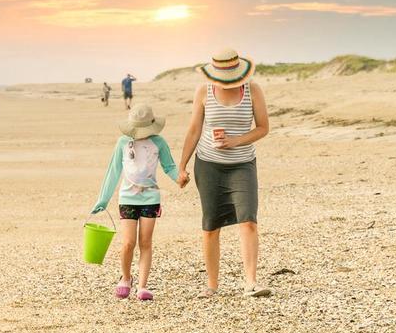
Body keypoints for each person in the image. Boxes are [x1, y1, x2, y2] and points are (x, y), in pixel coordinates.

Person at [177, 49, 271, 298]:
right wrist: (182, 166)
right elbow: (194, 130)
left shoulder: (253, 90)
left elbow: (263, 128)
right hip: (208, 164)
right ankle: (212, 286)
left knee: (248, 220)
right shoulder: (204, 91)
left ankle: (250, 282)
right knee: (211, 226)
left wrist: (235, 141)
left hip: (242, 164)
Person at [91, 104, 187, 301]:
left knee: (145, 242)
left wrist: (180, 178)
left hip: (150, 197)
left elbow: (169, 167)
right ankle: (126, 278)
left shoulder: (158, 142)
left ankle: (142, 286)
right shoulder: (122, 143)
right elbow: (114, 171)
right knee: (128, 243)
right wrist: (103, 199)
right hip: (127, 198)